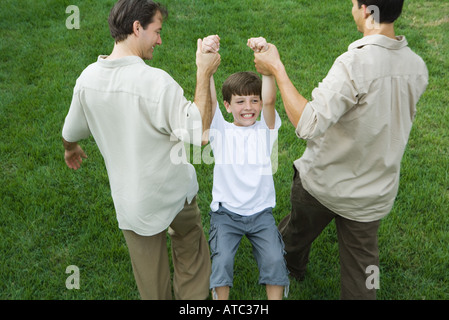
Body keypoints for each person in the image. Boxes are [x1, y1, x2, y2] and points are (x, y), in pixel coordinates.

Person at [253, 0, 428, 299]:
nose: (351, 10)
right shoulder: (417, 66)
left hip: (323, 184)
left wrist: (276, 69)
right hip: (372, 196)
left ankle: (290, 265)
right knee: (365, 278)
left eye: (352, 4)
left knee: (292, 237)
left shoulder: (355, 63)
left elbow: (308, 124)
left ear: (367, 10)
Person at [61, 0, 220, 300]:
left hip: (136, 208)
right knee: (191, 252)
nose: (160, 40)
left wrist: (71, 149)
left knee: (152, 286)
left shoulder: (87, 81)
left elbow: (69, 132)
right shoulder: (156, 83)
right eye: (157, 31)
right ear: (137, 28)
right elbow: (200, 133)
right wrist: (204, 72)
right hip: (177, 193)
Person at [202, 35, 289, 300]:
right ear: (228, 107)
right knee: (222, 261)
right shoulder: (220, 130)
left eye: (254, 101)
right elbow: (211, 102)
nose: (248, 107)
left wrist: (266, 67)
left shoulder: (266, 130)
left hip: (261, 213)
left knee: (274, 259)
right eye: (240, 102)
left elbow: (272, 101)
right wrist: (207, 64)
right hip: (226, 214)